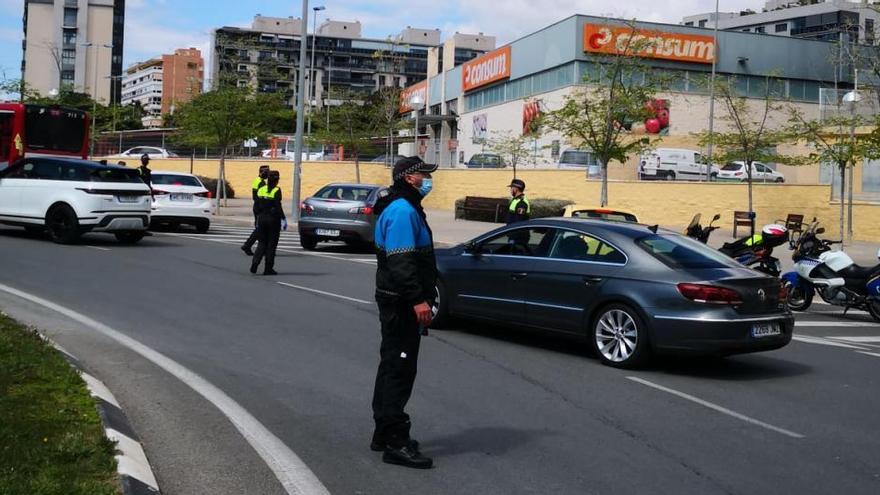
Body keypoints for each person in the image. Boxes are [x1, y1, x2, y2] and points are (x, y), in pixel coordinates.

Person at [371, 156, 437, 469]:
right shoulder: (401, 210)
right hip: (400, 302)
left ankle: (383, 433)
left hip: (396, 299)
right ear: (409, 178)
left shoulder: (404, 206)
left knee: (390, 365)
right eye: (424, 174)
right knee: (399, 369)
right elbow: (401, 262)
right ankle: (395, 442)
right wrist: (417, 300)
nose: (428, 179)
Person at [251, 170, 286, 276]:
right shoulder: (277, 190)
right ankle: (268, 268)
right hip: (273, 220)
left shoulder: (261, 189)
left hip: (261, 219)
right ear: (277, 180)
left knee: (261, 243)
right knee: (271, 245)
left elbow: (256, 205)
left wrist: (257, 218)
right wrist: (283, 218)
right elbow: (278, 206)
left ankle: (255, 263)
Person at [241, 165, 271, 256]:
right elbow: (261, 197)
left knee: (262, 228)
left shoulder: (258, 181)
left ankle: (259, 247)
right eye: (266, 172)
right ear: (261, 172)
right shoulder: (260, 183)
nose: (268, 174)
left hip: (258, 207)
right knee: (260, 228)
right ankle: (247, 245)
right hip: (260, 208)